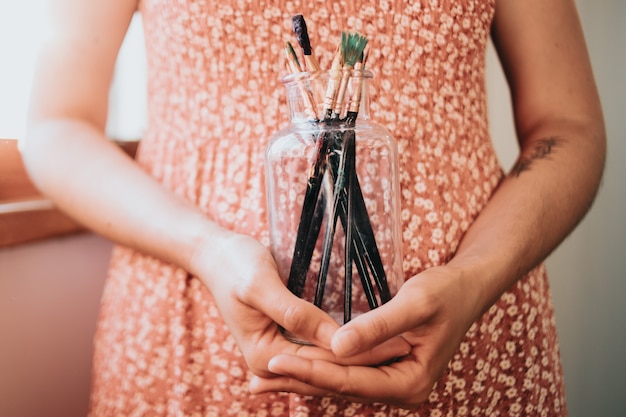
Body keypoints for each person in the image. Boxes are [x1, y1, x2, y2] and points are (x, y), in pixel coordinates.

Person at [22, 0, 605, 415]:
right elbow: (56, 126)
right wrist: (208, 249)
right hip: (198, 342)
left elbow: (568, 126)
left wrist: (473, 277)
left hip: (470, 333)